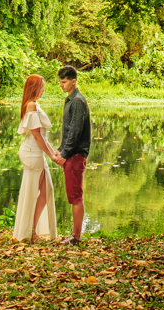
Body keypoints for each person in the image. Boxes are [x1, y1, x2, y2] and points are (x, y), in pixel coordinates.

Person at [12, 74, 61, 242]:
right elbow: (37, 135)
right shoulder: (31, 105)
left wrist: (53, 152)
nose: (43, 90)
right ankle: (30, 232)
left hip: (36, 151)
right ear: (35, 88)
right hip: (32, 152)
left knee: (46, 191)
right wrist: (51, 155)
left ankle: (31, 230)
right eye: (42, 86)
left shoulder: (33, 104)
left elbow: (43, 137)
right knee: (35, 192)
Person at [53, 64, 91, 245]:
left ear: (73, 81)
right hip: (70, 154)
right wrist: (61, 150)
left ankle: (76, 237)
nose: (61, 85)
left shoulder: (77, 101)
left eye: (64, 82)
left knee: (76, 196)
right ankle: (74, 235)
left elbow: (75, 131)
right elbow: (67, 130)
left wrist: (65, 153)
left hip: (75, 155)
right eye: (60, 82)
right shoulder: (70, 99)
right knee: (73, 195)